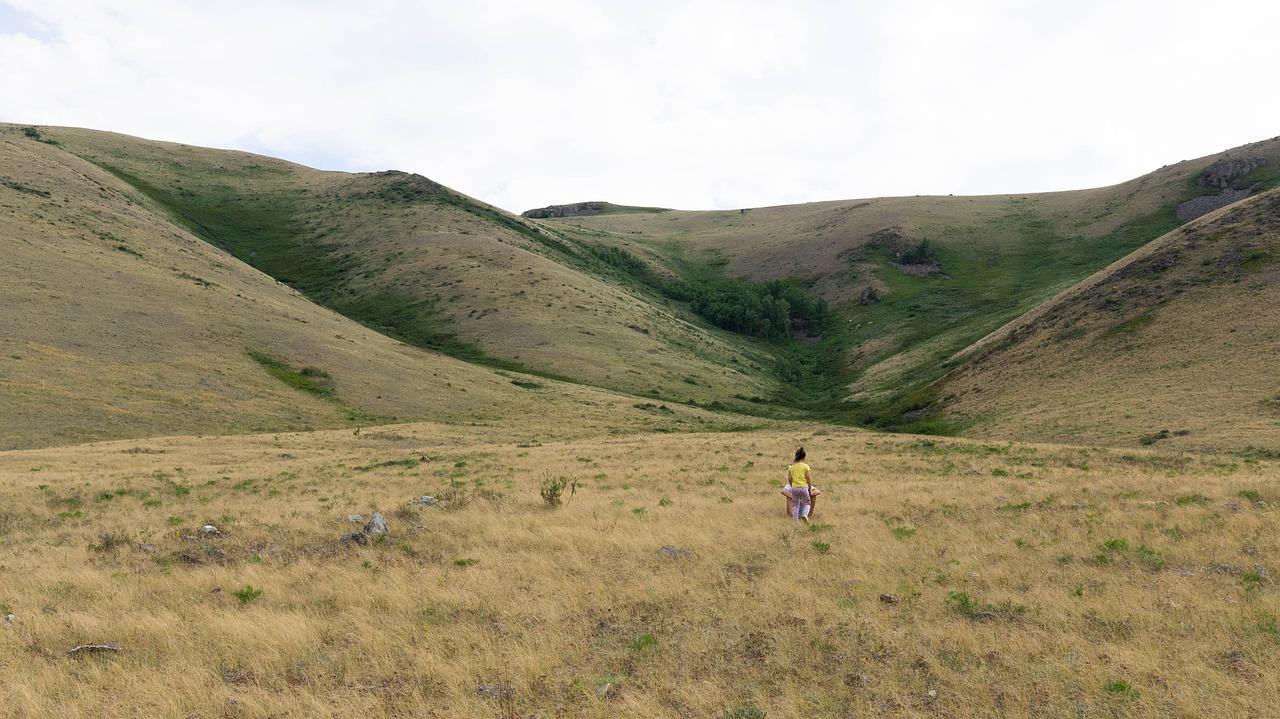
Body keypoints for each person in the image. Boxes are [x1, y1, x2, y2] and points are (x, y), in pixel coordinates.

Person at [786, 447, 812, 522]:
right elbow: (808, 478)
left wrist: (792, 486)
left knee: (795, 505)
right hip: (804, 488)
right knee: (807, 503)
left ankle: (795, 521)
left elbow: (790, 479)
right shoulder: (806, 466)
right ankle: (805, 515)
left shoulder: (791, 468)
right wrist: (809, 488)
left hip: (794, 488)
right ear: (804, 456)